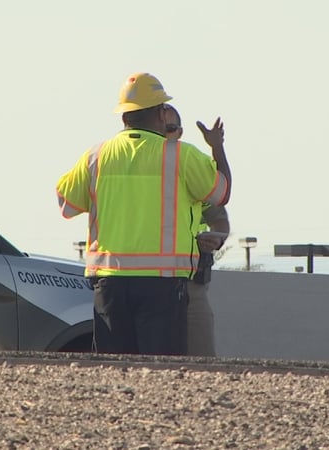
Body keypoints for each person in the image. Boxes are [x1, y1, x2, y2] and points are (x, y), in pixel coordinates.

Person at [55, 73, 231, 355]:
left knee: (115, 370)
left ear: (123, 115)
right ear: (161, 114)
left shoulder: (96, 156)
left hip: (109, 282)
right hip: (162, 284)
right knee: (160, 372)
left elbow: (66, 203)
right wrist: (218, 149)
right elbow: (221, 192)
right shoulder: (180, 155)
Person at [164, 104, 230, 356]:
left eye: (170, 129)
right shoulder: (136, 171)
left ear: (179, 133)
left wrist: (216, 240)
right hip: (148, 284)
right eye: (161, 129)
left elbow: (219, 218)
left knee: (201, 359)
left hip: (192, 284)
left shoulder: (190, 169)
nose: (165, 135)